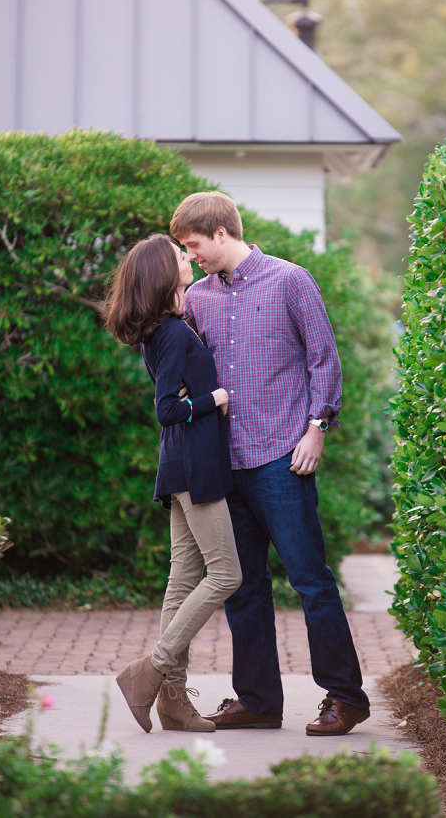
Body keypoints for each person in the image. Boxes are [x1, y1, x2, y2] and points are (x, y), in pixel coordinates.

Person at [170, 191, 370, 736]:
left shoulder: (290, 280)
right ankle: (258, 701)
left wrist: (318, 429)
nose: (191, 258)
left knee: (310, 580)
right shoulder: (199, 299)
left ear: (220, 233)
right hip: (223, 464)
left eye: (193, 246)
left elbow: (323, 359)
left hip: (283, 458)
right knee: (244, 586)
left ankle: (345, 698)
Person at [104, 233, 242, 734]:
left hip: (182, 465)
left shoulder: (164, 330)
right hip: (196, 466)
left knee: (183, 579)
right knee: (227, 575)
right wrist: (216, 397)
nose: (188, 259)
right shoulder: (174, 333)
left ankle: (173, 703)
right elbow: (167, 411)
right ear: (165, 274)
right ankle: (151, 672)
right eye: (180, 255)